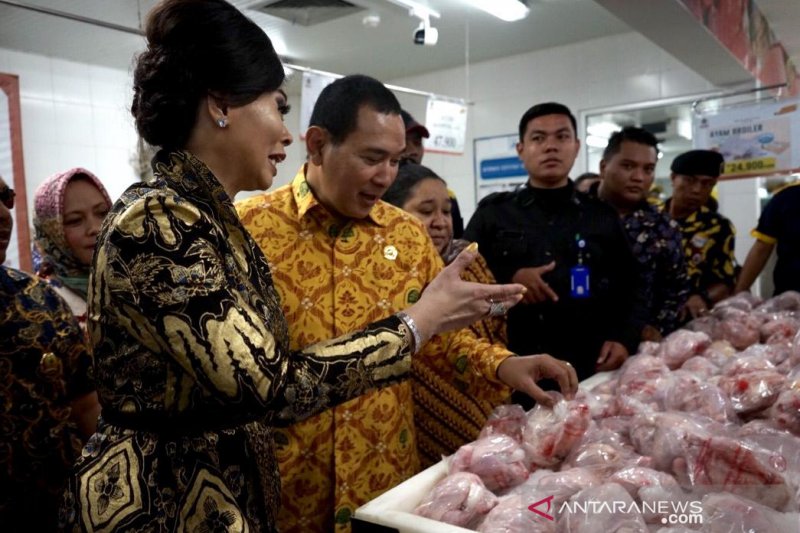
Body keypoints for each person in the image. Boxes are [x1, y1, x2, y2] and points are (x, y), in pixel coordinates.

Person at [60, 3, 534, 532]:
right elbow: (267, 387)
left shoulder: (208, 219)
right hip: (166, 501)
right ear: (221, 104)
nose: (285, 134)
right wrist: (415, 325)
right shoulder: (160, 222)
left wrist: (478, 349)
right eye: (277, 107)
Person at [236, 76, 578, 532]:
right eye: (372, 158)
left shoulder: (406, 235)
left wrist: (502, 364)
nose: (386, 177)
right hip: (288, 485)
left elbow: (433, 337)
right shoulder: (248, 231)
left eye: (396, 161)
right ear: (317, 145)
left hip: (383, 484)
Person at [464, 102, 644, 399]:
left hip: (589, 364)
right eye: (538, 138)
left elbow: (632, 284)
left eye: (561, 137)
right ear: (521, 150)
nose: (550, 147)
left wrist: (624, 338)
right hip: (512, 368)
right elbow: (463, 285)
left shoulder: (601, 215)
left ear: (575, 146)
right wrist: (510, 280)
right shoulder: (493, 214)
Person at [382, 161, 509, 467]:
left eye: (446, 211)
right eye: (426, 211)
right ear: (390, 213)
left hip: (486, 391)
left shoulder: (468, 257)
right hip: (415, 421)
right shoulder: (387, 273)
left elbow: (497, 320)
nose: (440, 222)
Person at [0, 175, 95, 531]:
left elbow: (87, 407)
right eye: (74, 219)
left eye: (5, 197)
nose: (1, 213)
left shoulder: (37, 301)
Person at [594, 127, 689, 340]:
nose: (638, 177)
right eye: (628, 166)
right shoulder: (574, 215)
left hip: (636, 346)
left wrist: (656, 327)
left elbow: (675, 289)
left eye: (648, 169)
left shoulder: (663, 228)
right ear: (603, 167)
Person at [33, 167, 112, 331]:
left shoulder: (136, 283)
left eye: (103, 213)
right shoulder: (41, 306)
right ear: (51, 234)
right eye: (75, 220)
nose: (95, 228)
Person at [662, 149, 737, 318]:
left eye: (707, 184)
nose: (697, 190)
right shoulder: (647, 218)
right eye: (689, 180)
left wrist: (701, 296)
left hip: (691, 318)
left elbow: (727, 280)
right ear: (673, 178)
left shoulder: (718, 227)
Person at [401, 108, 465, 238]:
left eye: (417, 143)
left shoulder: (447, 196)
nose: (413, 151)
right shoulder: (370, 198)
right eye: (426, 211)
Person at [735, 180, 800, 295]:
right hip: (790, 297)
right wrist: (740, 292)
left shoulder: (785, 197)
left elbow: (761, 249)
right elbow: (761, 249)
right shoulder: (786, 198)